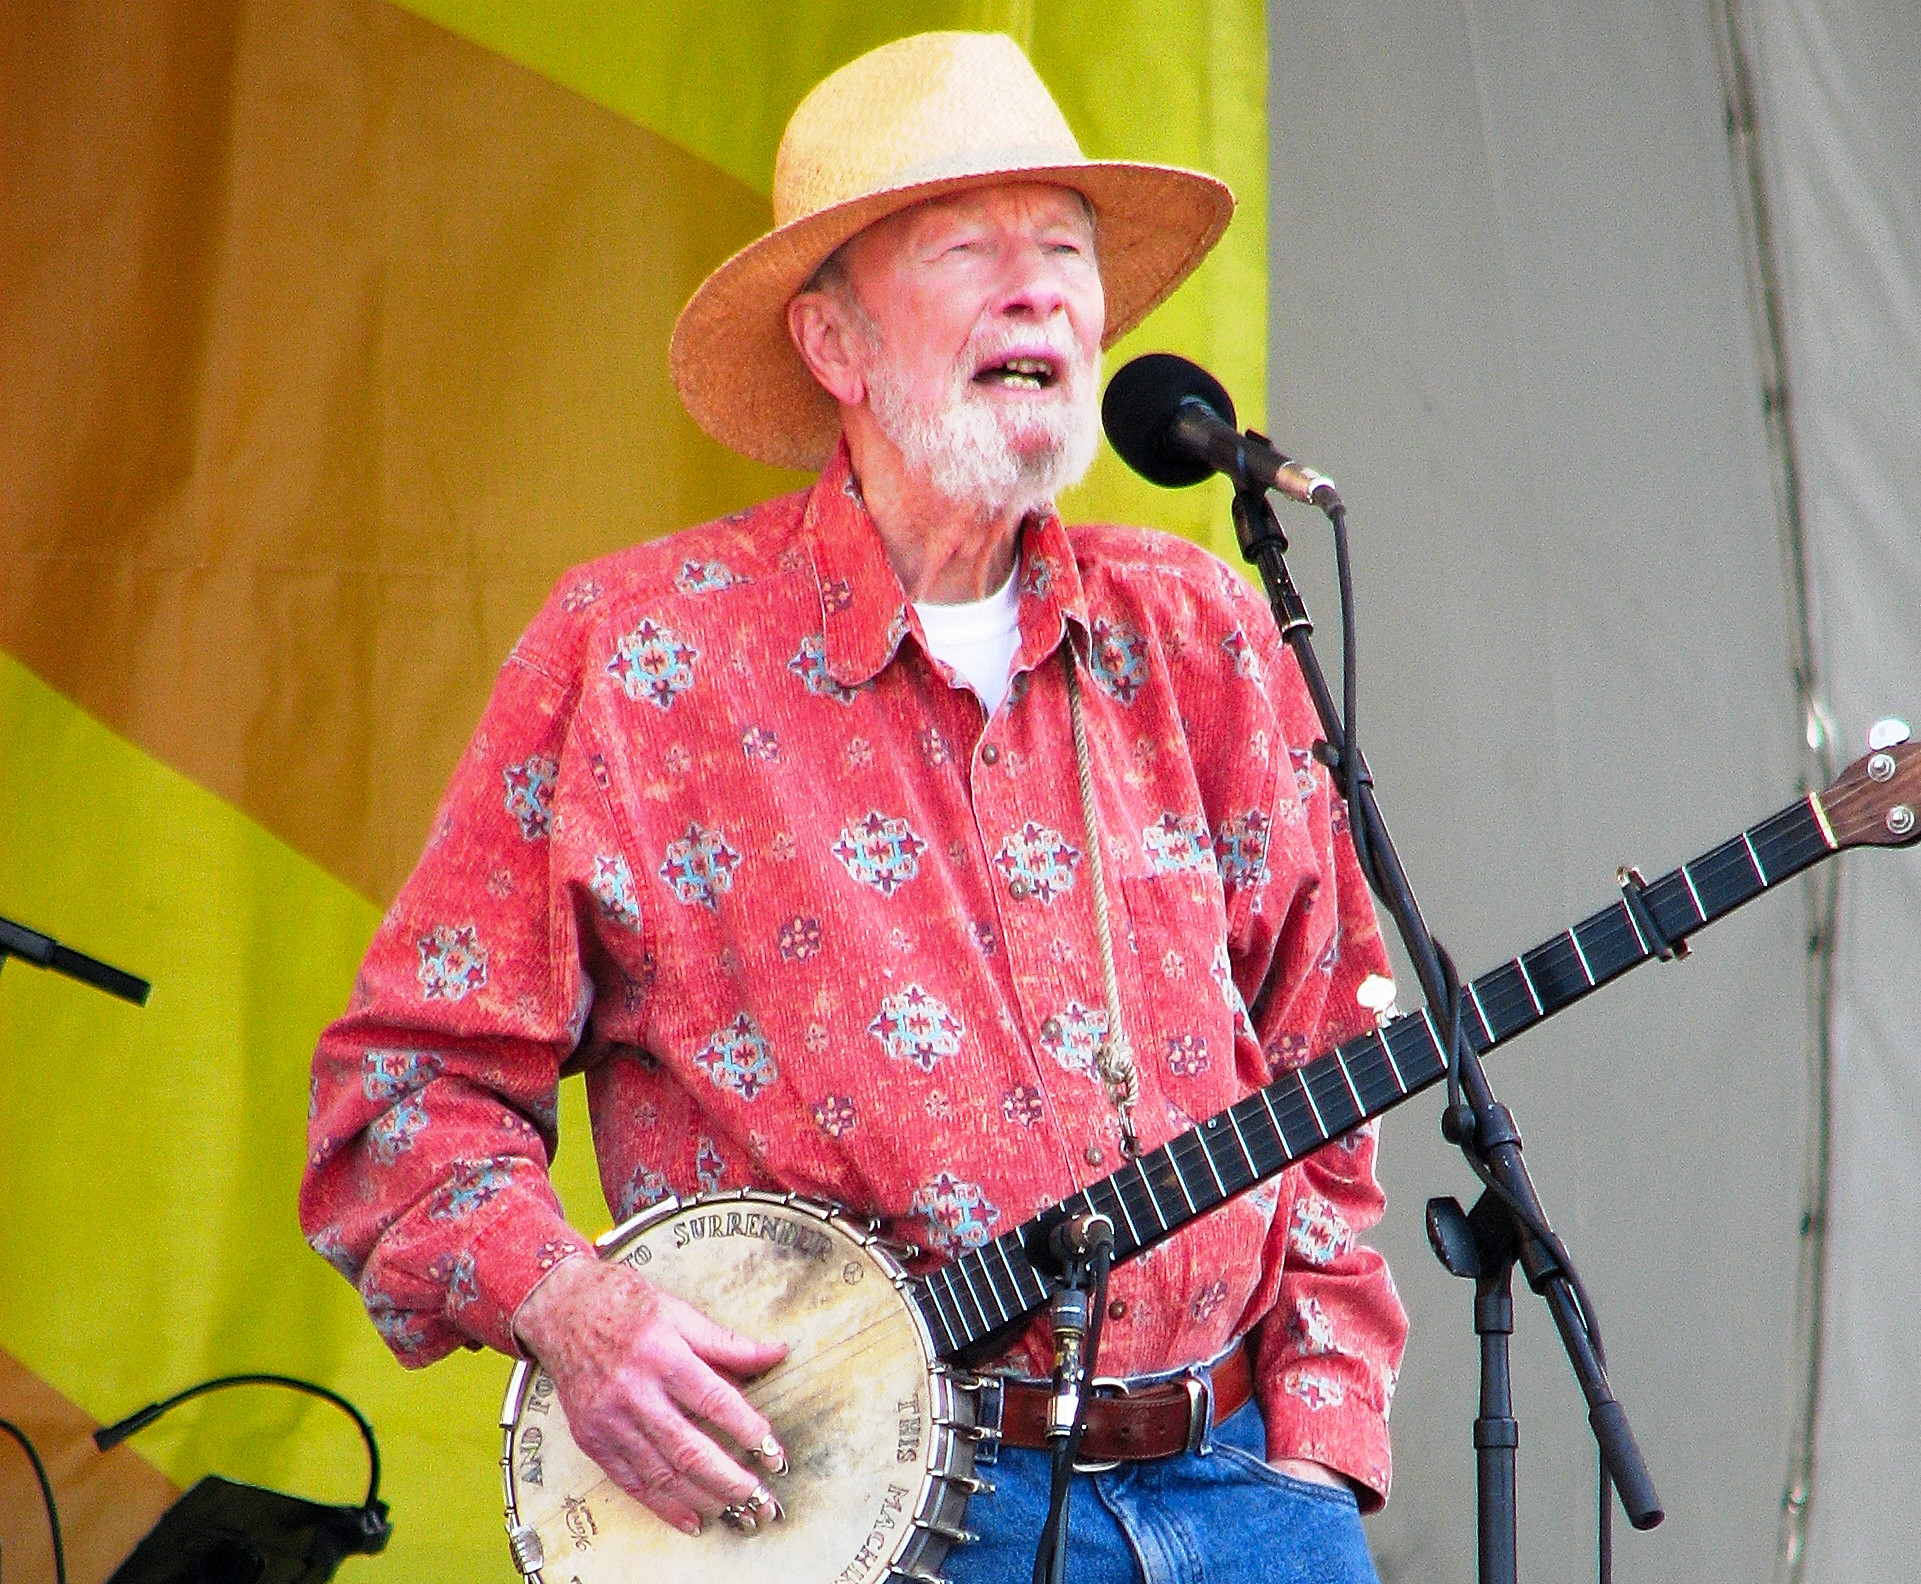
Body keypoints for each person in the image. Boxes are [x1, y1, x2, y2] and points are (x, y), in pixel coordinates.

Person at [300, 31, 1406, 1584]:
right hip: (856, 1510)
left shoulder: (1202, 629)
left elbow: (1327, 1052)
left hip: (1244, 1498)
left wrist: (1320, 1439)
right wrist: (574, 1312)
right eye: (970, 249)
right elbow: (400, 1100)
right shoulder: (644, 654)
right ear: (832, 343)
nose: (1039, 293)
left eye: (1067, 253)